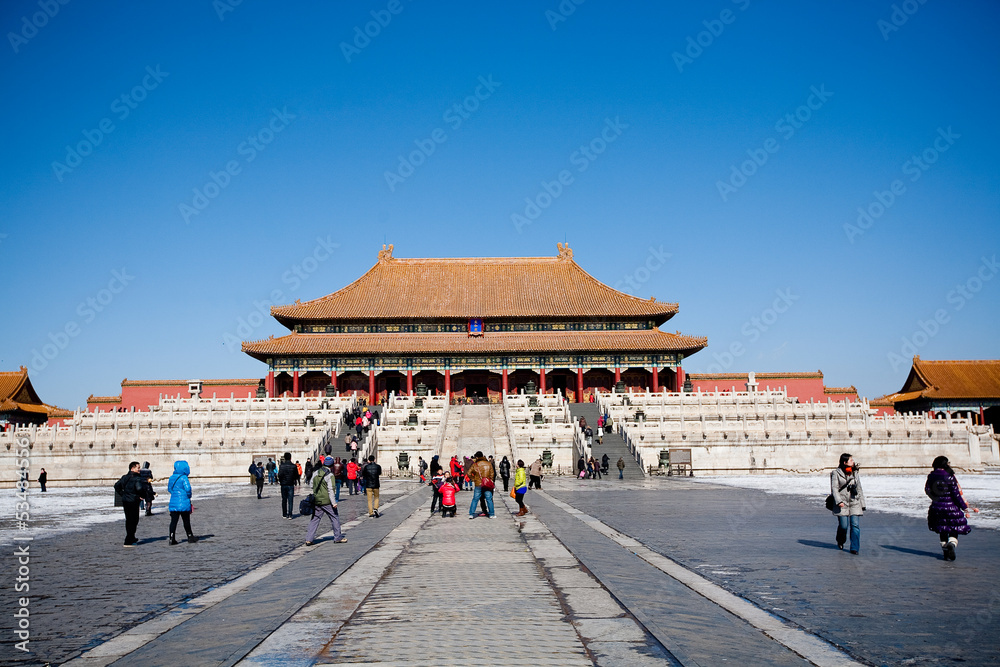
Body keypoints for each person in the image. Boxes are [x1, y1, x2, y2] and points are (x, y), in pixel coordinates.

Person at [925, 455, 979, 561]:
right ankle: (952, 544)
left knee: (942, 529)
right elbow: (956, 494)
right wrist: (964, 506)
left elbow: (927, 489)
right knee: (954, 529)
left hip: (937, 508)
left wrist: (935, 497)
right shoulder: (949, 476)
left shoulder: (931, 476)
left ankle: (945, 550)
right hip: (952, 507)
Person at [304, 457, 347, 546]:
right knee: (334, 517)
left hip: (317, 500)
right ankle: (338, 537)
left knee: (315, 519)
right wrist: (334, 502)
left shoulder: (316, 473)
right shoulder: (330, 475)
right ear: (331, 465)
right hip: (327, 501)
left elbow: (311, 484)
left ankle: (309, 539)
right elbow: (330, 490)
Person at [831, 453, 865, 554]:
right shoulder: (836, 473)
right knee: (844, 526)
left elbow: (859, 488)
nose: (853, 461)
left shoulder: (855, 473)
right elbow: (834, 488)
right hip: (842, 503)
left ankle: (854, 548)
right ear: (845, 462)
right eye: (851, 460)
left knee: (855, 525)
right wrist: (839, 501)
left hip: (854, 502)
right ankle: (840, 540)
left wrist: (862, 504)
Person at [114, 462, 146, 547]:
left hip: (126, 501)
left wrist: (123, 494)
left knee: (128, 520)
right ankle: (129, 539)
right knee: (134, 520)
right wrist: (142, 496)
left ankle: (131, 537)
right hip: (134, 501)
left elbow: (117, 486)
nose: (139, 469)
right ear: (132, 468)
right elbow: (139, 488)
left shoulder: (124, 477)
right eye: (137, 468)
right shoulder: (137, 478)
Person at [166, 460, 198, 544]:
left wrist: (175, 494)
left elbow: (170, 489)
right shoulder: (184, 478)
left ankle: (171, 538)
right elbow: (188, 489)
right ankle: (190, 536)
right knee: (186, 521)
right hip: (184, 502)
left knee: (173, 522)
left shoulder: (172, 477)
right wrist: (188, 496)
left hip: (173, 502)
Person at [467, 451, 496, 519]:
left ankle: (471, 514)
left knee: (475, 499)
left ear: (477, 457)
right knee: (489, 499)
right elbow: (492, 474)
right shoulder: (488, 464)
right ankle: (491, 514)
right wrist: (489, 480)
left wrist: (474, 479)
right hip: (487, 484)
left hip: (478, 484)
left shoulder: (475, 464)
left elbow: (468, 473)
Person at [278, 452, 298, 519]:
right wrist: (294, 480)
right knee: (290, 500)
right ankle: (290, 514)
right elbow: (296, 475)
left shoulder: (281, 466)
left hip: (283, 484)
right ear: (290, 458)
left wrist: (281, 481)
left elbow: (279, 475)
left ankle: (284, 514)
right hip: (290, 484)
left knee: (284, 499)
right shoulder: (294, 466)